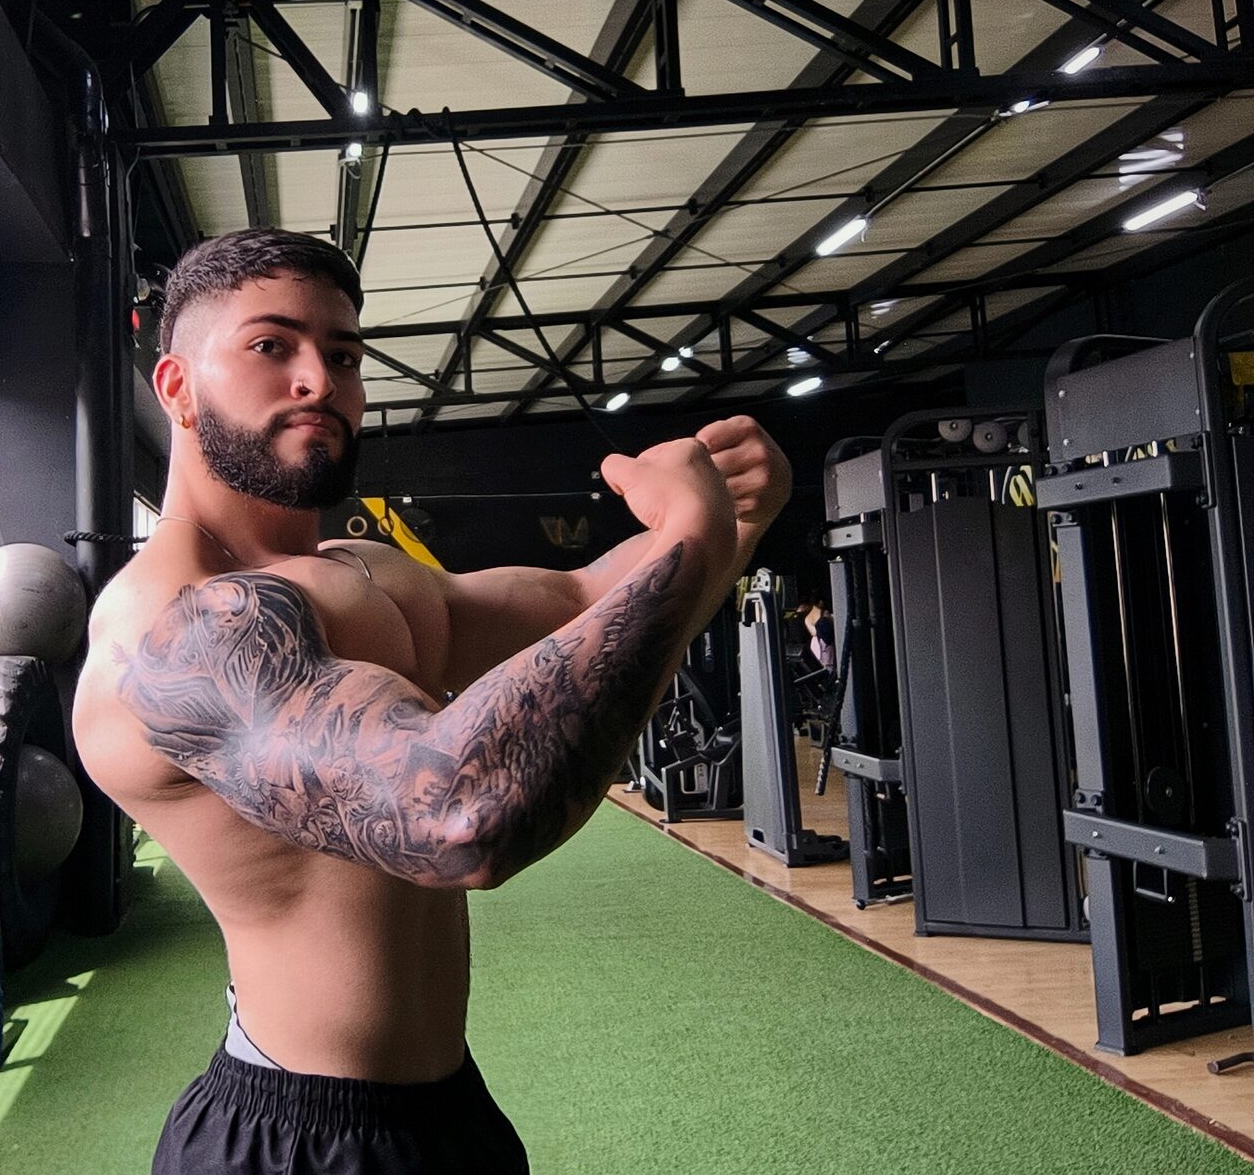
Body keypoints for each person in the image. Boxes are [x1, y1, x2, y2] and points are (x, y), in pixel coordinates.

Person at [72, 228, 792, 1175]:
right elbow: (458, 816)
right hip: (295, 1140)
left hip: (449, 1111)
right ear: (176, 388)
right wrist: (692, 534)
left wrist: (729, 526)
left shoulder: (366, 574)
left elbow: (581, 601)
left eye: (342, 355)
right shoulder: (173, 626)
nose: (317, 380)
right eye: (271, 346)